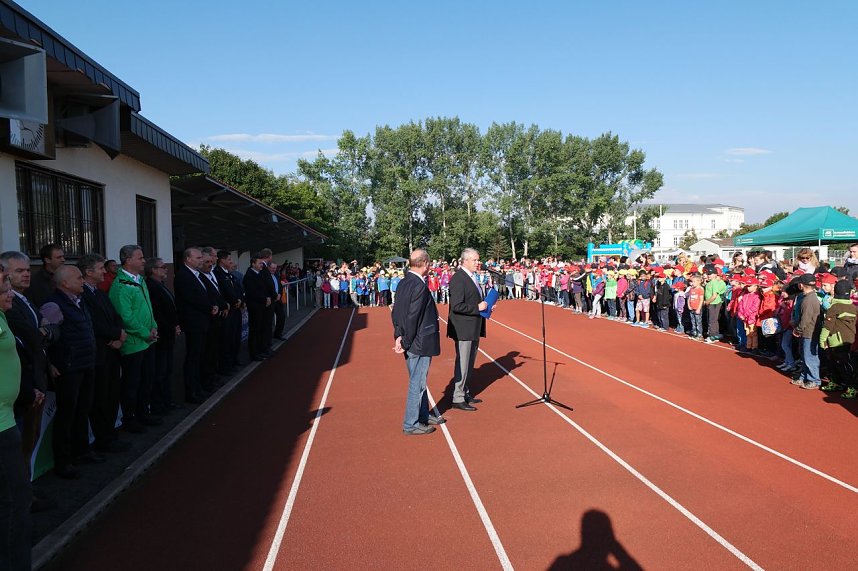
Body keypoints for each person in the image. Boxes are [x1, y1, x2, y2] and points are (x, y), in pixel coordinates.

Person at [47, 265, 102, 478]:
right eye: (79, 278)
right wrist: (51, 364)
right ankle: (64, 461)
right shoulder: (53, 305)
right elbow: (46, 339)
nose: (82, 280)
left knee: (82, 410)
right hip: (69, 368)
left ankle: (82, 451)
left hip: (86, 364)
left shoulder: (79, 301)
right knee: (67, 415)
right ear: (65, 283)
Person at [79, 254, 129, 453]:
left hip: (112, 352)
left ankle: (110, 435)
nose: (105, 271)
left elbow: (114, 315)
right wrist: (116, 335)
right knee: (100, 399)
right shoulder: (83, 295)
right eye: (101, 268)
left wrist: (119, 334)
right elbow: (94, 324)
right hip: (100, 354)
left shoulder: (99, 293)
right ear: (89, 272)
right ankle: (103, 439)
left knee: (111, 396)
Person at [391, 249, 444, 435]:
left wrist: (398, 335)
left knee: (418, 380)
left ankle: (422, 414)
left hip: (411, 339)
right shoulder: (419, 285)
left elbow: (396, 311)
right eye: (429, 263)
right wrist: (404, 341)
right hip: (419, 342)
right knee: (418, 383)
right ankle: (411, 423)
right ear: (425, 263)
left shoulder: (404, 282)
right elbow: (412, 316)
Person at [0, 274, 32, 571]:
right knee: (13, 502)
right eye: (4, 288)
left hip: (8, 418)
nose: (11, 292)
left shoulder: (3, 314)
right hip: (1, 428)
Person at [109, 245, 159, 431]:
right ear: (128, 260)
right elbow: (126, 317)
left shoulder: (139, 280)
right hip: (133, 344)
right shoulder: (121, 285)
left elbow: (148, 307)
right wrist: (145, 332)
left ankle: (143, 413)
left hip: (147, 340)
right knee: (132, 383)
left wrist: (153, 326)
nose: (144, 261)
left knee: (147, 379)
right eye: (140, 257)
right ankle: (130, 419)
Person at [447, 248, 488, 411]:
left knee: (469, 363)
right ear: (464, 261)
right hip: (463, 328)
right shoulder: (459, 279)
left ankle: (464, 392)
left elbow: (474, 299)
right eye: (475, 260)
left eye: (478, 260)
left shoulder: (472, 277)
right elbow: (457, 306)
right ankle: (457, 397)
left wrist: (486, 305)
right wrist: (477, 307)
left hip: (473, 327)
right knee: (463, 363)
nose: (478, 263)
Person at [175, 247, 217, 403]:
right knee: (193, 357)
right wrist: (209, 307)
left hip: (203, 321)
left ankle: (198, 388)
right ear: (188, 259)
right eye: (198, 258)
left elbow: (205, 294)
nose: (202, 260)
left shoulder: (197, 275)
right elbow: (192, 298)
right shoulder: (183, 276)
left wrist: (212, 305)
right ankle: (191, 392)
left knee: (200, 356)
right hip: (194, 323)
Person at [145, 257, 182, 413]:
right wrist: (171, 327)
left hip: (167, 335)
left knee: (167, 370)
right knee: (160, 372)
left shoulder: (160, 285)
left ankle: (167, 401)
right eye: (162, 267)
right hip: (161, 336)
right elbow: (158, 314)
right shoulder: (152, 287)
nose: (166, 269)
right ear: (153, 270)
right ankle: (158, 404)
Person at [792, 273, 823, 389]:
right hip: (807, 331)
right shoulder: (808, 297)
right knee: (805, 355)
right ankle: (804, 376)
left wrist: (798, 329)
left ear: (801, 285)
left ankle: (814, 379)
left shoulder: (809, 299)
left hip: (809, 332)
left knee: (810, 356)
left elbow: (806, 318)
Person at [244, 254, 272, 361]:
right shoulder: (249, 276)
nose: (262, 265)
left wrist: (267, 297)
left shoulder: (259, 274)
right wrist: (265, 298)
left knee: (260, 329)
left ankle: (260, 350)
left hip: (261, 306)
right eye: (260, 263)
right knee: (255, 330)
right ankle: (254, 353)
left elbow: (264, 288)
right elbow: (253, 292)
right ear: (253, 264)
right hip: (255, 307)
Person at [25, 243, 65, 308]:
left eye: (63, 257)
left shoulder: (66, 276)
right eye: (59, 257)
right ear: (47, 260)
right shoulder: (35, 281)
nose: (63, 260)